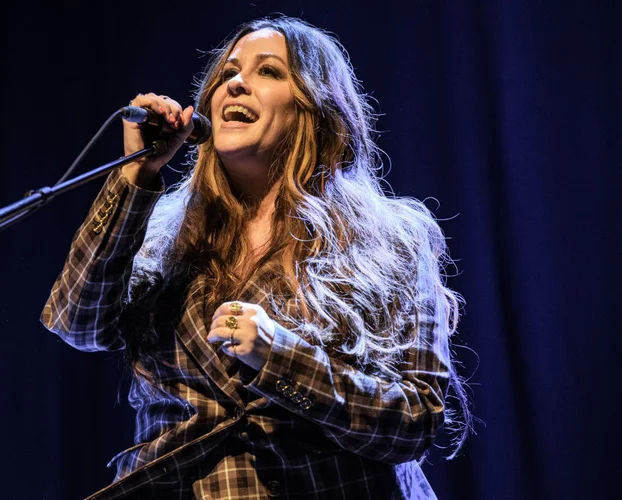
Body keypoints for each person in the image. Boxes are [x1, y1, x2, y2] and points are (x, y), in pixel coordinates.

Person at [41, 15, 471, 499]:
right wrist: (137, 175)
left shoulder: (391, 239)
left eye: (268, 71)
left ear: (316, 108)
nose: (237, 84)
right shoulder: (162, 232)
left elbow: (415, 421)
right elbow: (77, 322)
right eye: (226, 74)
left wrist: (280, 356)